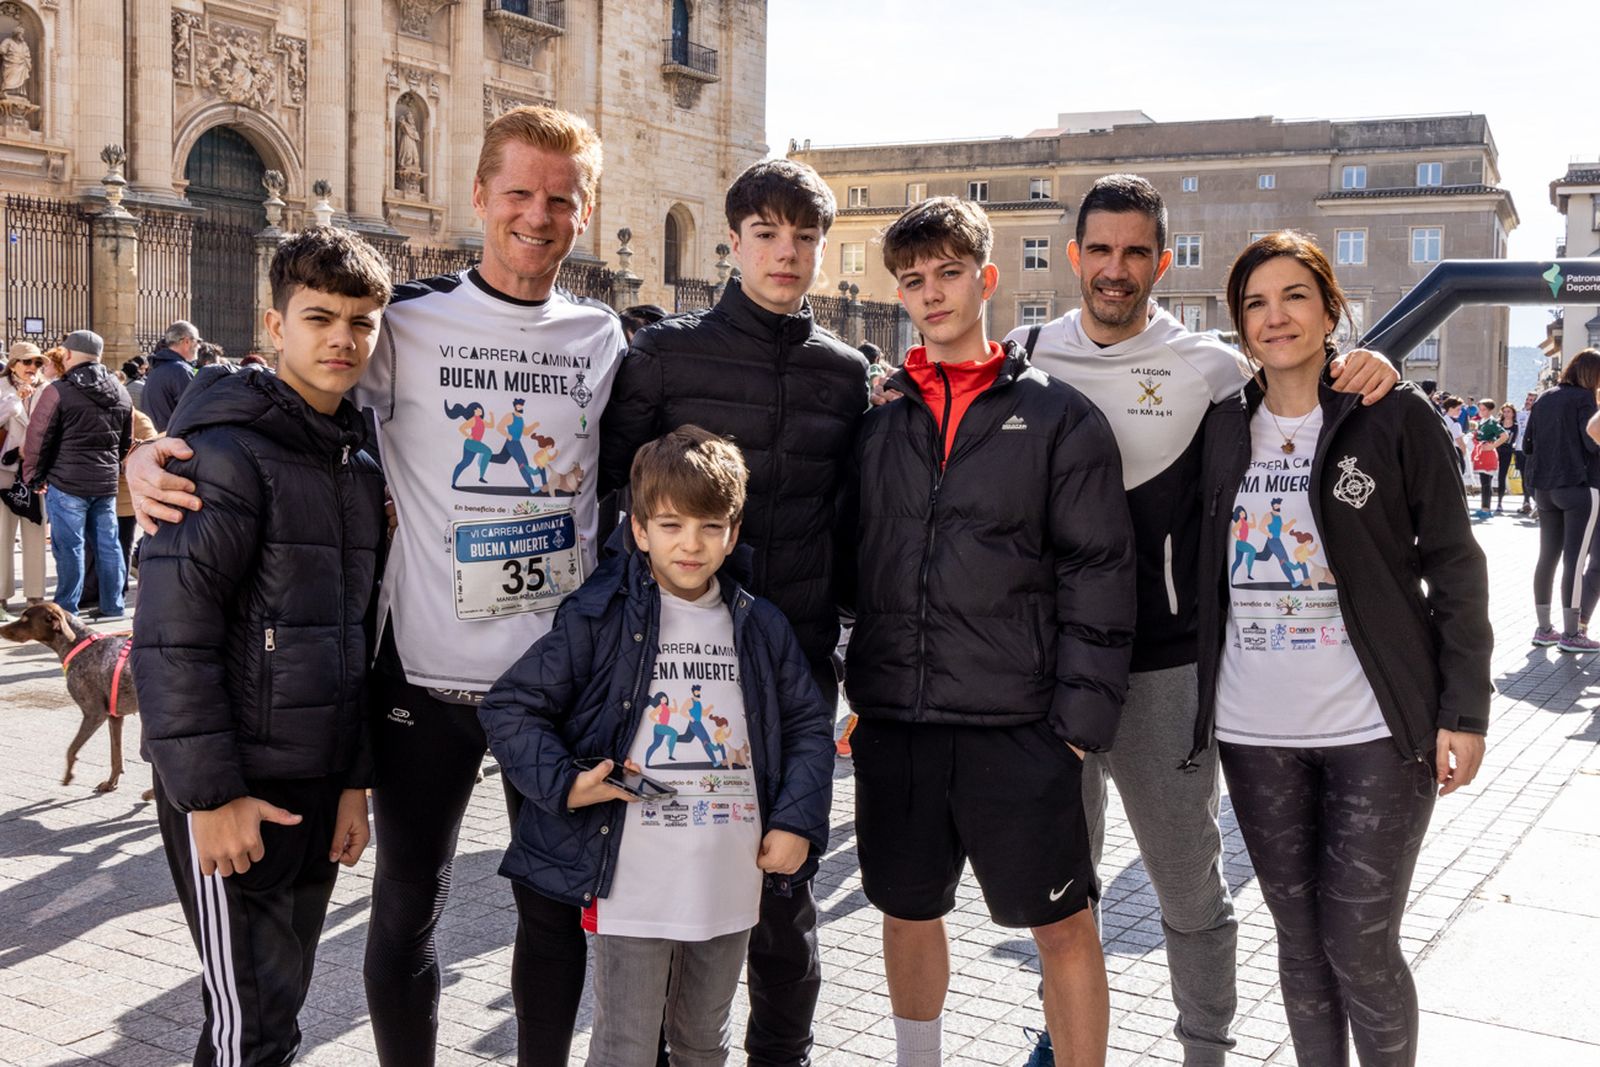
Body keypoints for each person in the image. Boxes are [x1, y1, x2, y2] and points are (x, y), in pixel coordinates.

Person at [128, 105, 626, 1067]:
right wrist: (146, 458)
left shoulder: (605, 339)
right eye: (518, 192)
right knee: (406, 908)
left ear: (587, 210)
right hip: (420, 683)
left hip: (552, 686)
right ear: (479, 196)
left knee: (553, 913)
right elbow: (285, 397)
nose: (537, 215)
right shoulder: (404, 323)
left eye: (560, 199)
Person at [1003, 174, 1398, 1066]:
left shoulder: (1213, 369)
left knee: (1189, 889)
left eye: (1136, 250)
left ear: (1162, 258)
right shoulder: (1024, 354)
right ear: (1073, 256)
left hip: (1165, 672)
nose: (1115, 268)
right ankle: (1061, 1031)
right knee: (1061, 890)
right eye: (1099, 249)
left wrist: (1377, 363)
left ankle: (1205, 1048)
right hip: (1045, 675)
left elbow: (1311, 393)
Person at [845, 196, 1136, 1067]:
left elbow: (1099, 571)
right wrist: (853, 685)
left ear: (987, 279)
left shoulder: (1058, 417)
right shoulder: (880, 423)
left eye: (948, 273)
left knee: (1062, 924)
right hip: (901, 718)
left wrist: (1080, 728)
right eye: (913, 280)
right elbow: (851, 562)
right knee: (906, 906)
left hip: (1020, 725)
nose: (932, 293)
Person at [599, 157, 868, 1067]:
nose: (786, 253)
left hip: (792, 670)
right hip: (670, 677)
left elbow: (852, 518)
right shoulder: (665, 356)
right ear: (734, 239)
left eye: (804, 237)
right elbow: (610, 502)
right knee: (670, 896)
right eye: (767, 233)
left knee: (787, 906)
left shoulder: (844, 373)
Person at [1197, 230, 1489, 1066]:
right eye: (1255, 302)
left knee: (1360, 941)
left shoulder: (1391, 416)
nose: (1275, 315)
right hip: (1254, 731)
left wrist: (1464, 709)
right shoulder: (1223, 430)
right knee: (1297, 940)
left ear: (1332, 309)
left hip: (1375, 729)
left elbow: (1457, 569)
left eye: (1294, 295)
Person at [480, 425, 834, 1067]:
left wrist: (796, 821)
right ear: (639, 531)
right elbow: (511, 706)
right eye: (670, 526)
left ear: (732, 532)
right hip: (631, 876)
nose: (690, 544)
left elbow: (809, 725)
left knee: (704, 1041)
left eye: (709, 526)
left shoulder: (761, 624)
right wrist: (566, 783)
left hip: (729, 871)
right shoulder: (598, 616)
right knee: (626, 1046)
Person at [130, 225, 392, 1067]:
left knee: (274, 1008)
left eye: (361, 321)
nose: (342, 339)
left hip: (315, 782)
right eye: (320, 318)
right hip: (235, 787)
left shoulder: (355, 462)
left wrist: (354, 780)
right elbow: (173, 638)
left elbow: (356, 639)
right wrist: (210, 796)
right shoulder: (220, 455)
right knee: (252, 1028)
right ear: (274, 325)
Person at [21, 330, 132, 619]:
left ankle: (66, 609)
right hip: (105, 482)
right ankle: (113, 606)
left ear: (68, 355)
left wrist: (34, 475)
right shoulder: (119, 390)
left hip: (66, 481)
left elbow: (39, 436)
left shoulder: (58, 390)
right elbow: (125, 441)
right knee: (108, 545)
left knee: (69, 547)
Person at [1521, 349, 1600, 654]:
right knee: (1575, 560)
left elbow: (1528, 444)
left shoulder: (1543, 397)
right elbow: (1591, 443)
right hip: (1579, 486)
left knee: (1547, 557)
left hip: (1543, 487)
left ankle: (1544, 629)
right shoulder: (1583, 399)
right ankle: (1572, 634)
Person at [0, 342, 48, 613]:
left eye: (37, 363)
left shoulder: (48, 388)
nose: (33, 368)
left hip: (34, 469)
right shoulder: (3, 388)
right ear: (14, 364)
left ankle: (35, 596)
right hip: (3, 469)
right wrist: (15, 399)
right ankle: (1, 594)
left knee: (35, 530)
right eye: (27, 362)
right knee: (2, 533)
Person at [141, 320, 201, 431]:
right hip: (173, 440)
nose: (199, 346)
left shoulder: (157, 368)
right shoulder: (180, 370)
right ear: (187, 341)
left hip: (157, 439)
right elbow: (194, 411)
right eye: (198, 341)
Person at [1469, 398, 1507, 519]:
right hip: (1481, 452)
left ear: (1490, 410)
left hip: (1487, 453)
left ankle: (1486, 509)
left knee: (1486, 482)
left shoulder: (1492, 423)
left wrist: (1493, 446)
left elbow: (1504, 435)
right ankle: (1484, 507)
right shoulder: (1482, 421)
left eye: (1484, 409)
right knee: (1483, 481)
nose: (1481, 411)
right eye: (1480, 409)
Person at [1515, 391, 1536, 515]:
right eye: (1528, 399)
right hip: (1519, 448)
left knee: (1531, 476)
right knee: (1523, 476)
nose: (1528, 402)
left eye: (1532, 400)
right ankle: (1526, 502)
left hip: (1533, 450)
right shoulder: (1519, 414)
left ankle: (1537, 503)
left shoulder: (1539, 414)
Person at [1495, 399, 1519, 512]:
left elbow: (1512, 439)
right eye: (1504, 411)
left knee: (1502, 476)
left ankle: (1499, 502)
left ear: (1513, 413)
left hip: (1507, 451)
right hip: (1495, 450)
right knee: (1490, 475)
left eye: (1508, 411)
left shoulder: (1515, 426)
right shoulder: (1498, 424)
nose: (1506, 414)